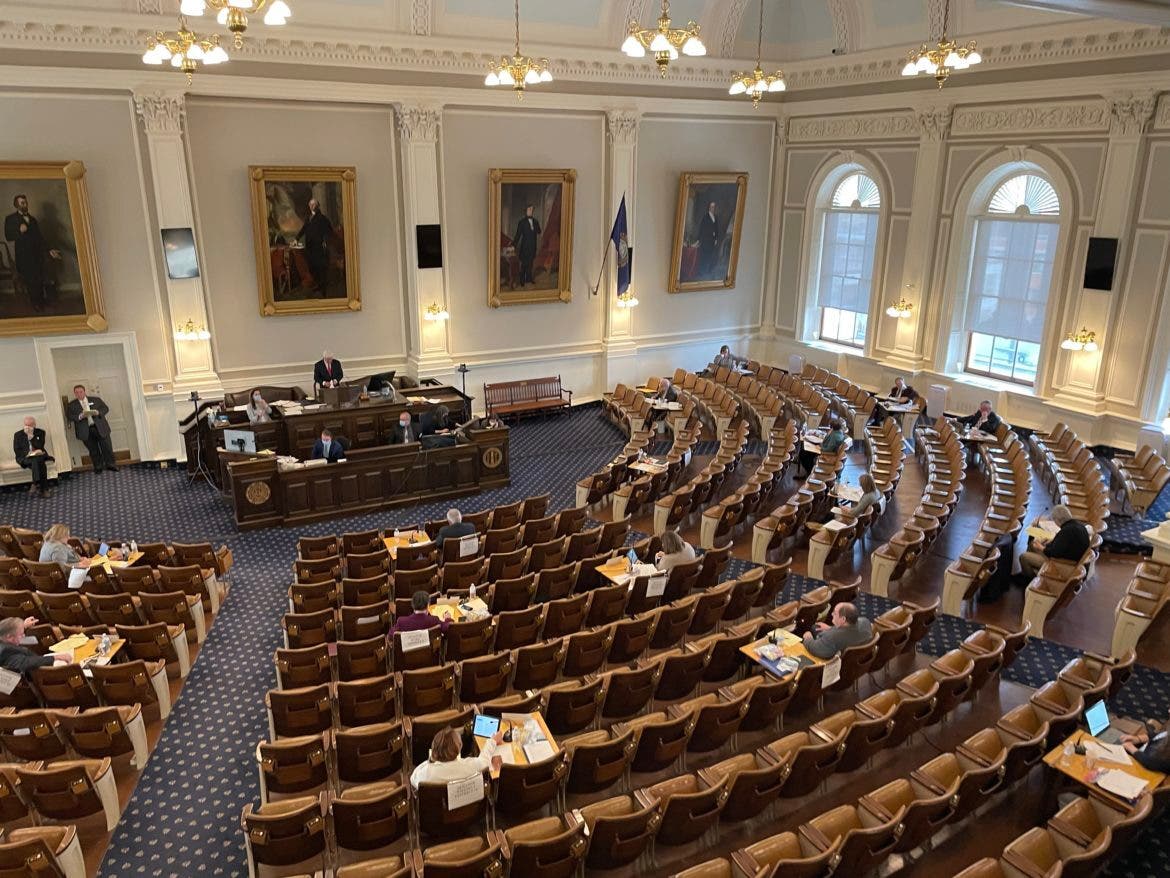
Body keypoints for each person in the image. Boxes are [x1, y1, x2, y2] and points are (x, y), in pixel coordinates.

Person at [4, 194, 62, 313]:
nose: (25, 205)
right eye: (22, 203)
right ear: (16, 205)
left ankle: (41, 300)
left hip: (37, 255)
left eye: (25, 202)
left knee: (39, 278)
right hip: (24, 256)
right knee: (31, 280)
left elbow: (40, 238)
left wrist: (49, 250)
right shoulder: (10, 219)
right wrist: (18, 231)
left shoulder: (33, 219)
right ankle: (35, 303)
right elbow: (8, 236)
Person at [409, 724, 503, 791]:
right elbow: (484, 762)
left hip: (440, 813)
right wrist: (492, 741)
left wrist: (430, 761)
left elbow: (413, 778)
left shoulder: (426, 774)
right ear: (458, 750)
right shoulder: (469, 766)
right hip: (468, 811)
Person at [1017, 504, 1090, 581]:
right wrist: (1050, 542)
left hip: (1061, 564)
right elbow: (1063, 544)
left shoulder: (1066, 531)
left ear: (1058, 520)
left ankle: (1031, 580)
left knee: (1023, 557)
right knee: (1032, 544)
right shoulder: (1079, 525)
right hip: (1067, 559)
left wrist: (1041, 547)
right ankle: (1027, 571)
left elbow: (1054, 553)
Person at [64, 384, 117, 473]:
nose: (79, 394)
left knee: (107, 447)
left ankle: (111, 464)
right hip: (85, 430)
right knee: (93, 450)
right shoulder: (72, 405)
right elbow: (69, 416)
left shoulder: (96, 400)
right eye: (76, 392)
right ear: (74, 393)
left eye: (81, 392)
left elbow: (105, 408)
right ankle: (98, 466)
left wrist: (98, 412)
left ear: (84, 391)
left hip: (100, 427)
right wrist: (80, 416)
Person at [0, 617, 72, 675]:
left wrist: (23, 626)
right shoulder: (6, 651)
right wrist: (55, 657)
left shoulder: (4, 641)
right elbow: (25, 662)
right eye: (21, 634)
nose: (24, 636)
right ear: (9, 637)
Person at [803, 602, 873, 659]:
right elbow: (847, 631)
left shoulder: (832, 637)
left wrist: (808, 638)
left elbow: (815, 648)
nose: (832, 614)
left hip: (837, 664)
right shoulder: (865, 622)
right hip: (858, 658)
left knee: (811, 631)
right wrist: (830, 628)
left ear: (843, 619)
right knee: (816, 627)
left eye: (835, 613)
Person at [296, 198, 333, 292]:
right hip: (310, 246)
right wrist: (296, 238)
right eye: (311, 205)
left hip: (318, 247)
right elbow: (303, 230)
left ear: (318, 206)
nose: (312, 206)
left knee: (319, 266)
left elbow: (329, 230)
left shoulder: (322, 218)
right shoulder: (308, 218)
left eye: (314, 204)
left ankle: (322, 286)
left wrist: (325, 240)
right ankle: (317, 284)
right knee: (311, 266)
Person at [13, 416, 54, 496]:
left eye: (30, 425)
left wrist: (31, 437)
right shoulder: (18, 434)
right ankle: (44, 489)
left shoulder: (40, 432)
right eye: (26, 425)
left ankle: (35, 483)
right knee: (40, 463)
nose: (27, 428)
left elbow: (40, 446)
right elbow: (16, 449)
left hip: (38, 455)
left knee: (37, 459)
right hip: (25, 458)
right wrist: (27, 454)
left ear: (34, 425)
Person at [514, 204, 541, 287]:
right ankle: (522, 280)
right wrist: (513, 244)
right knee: (524, 264)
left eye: (532, 210)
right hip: (525, 247)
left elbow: (539, 231)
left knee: (530, 263)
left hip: (533, 246)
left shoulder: (535, 221)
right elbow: (518, 235)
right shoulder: (522, 222)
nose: (530, 211)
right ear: (526, 211)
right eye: (529, 209)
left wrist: (535, 226)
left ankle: (529, 279)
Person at [697, 201, 720, 279]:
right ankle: (702, 272)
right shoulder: (705, 217)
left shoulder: (715, 217)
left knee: (710, 256)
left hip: (712, 240)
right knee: (704, 256)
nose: (712, 208)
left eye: (714, 207)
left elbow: (716, 229)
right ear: (709, 208)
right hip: (706, 240)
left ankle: (706, 271)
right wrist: (700, 239)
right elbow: (702, 229)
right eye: (711, 207)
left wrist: (716, 238)